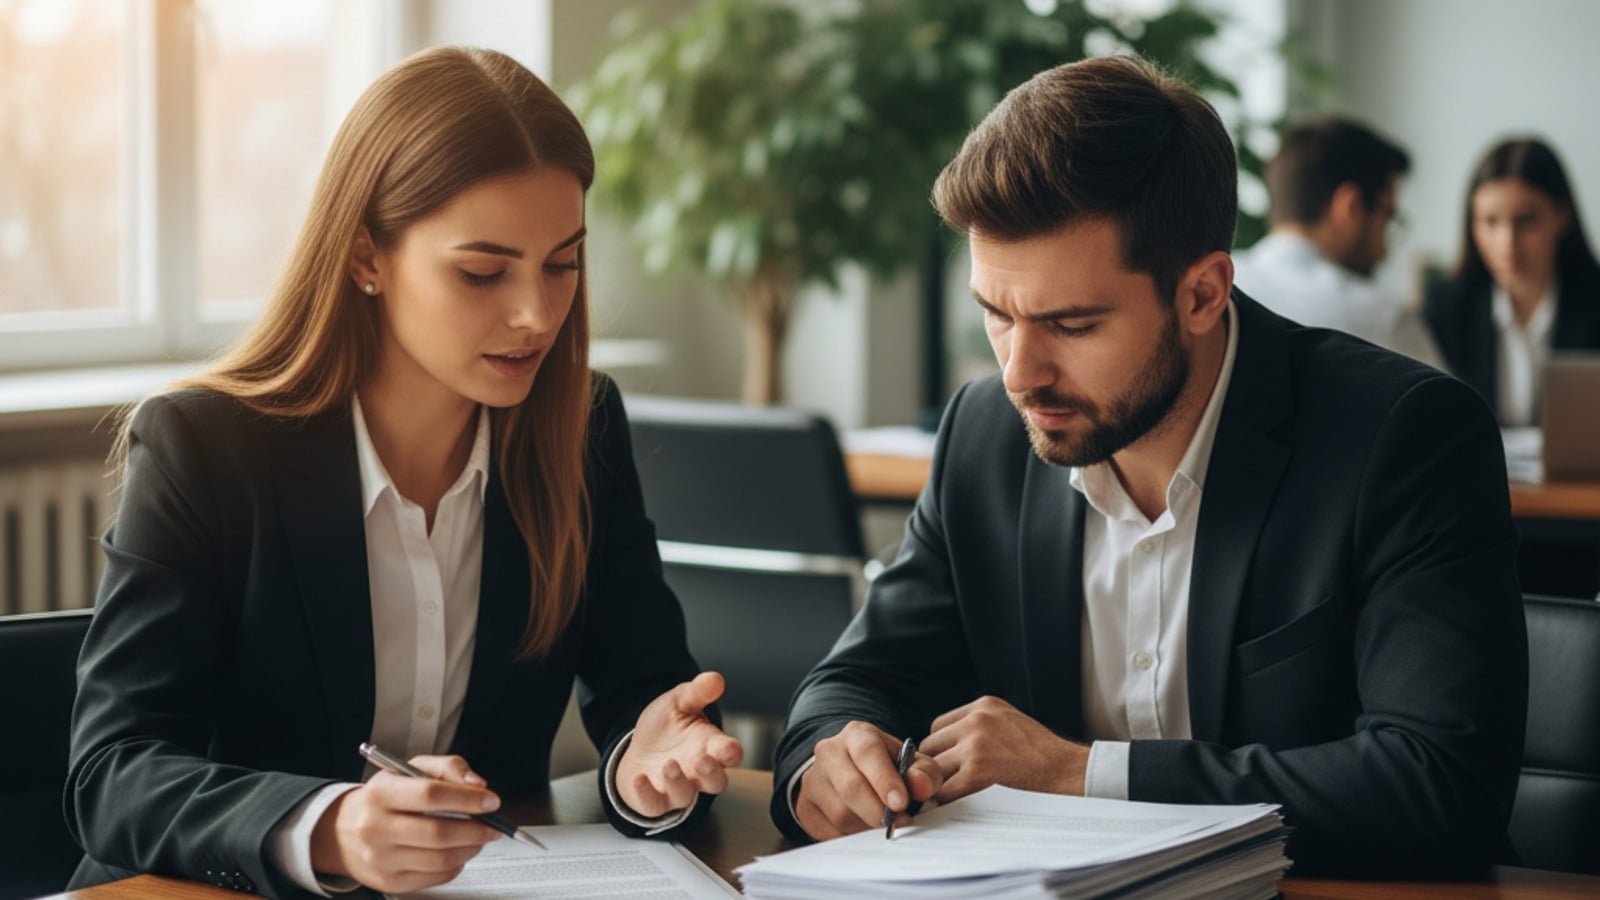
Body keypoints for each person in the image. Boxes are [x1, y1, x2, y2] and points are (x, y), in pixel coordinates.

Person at [771, 56, 1527, 876]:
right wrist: (828, 759)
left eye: (1072, 324)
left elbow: (1440, 785)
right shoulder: (985, 434)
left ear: (1202, 293)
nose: (1020, 372)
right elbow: (856, 678)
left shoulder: (1404, 437)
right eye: (997, 314)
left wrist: (1080, 773)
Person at [66, 47, 742, 899]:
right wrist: (329, 828)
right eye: (482, 272)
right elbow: (113, 772)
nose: (536, 314)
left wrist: (651, 768)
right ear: (365, 259)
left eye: (562, 263)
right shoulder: (206, 447)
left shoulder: (578, 428)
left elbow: (648, 692)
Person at [1233, 117, 1442, 368]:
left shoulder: (1216, 291)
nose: (1384, 253)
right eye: (1388, 218)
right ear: (1351, 207)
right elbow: (1456, 407)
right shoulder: (1384, 318)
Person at [1424, 137, 1600, 425]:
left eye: (1526, 221)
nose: (1507, 243)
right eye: (1490, 222)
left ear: (1562, 216)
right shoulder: (1447, 307)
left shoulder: (1594, 301)